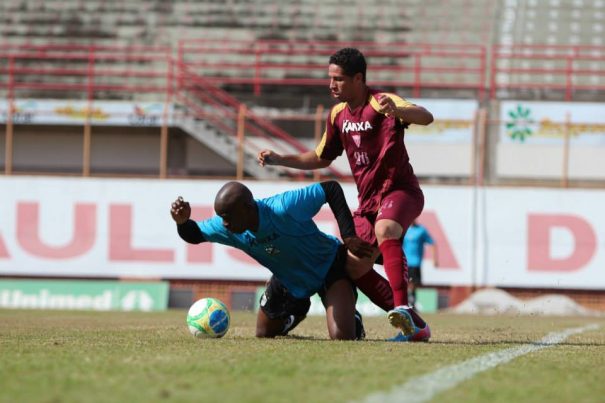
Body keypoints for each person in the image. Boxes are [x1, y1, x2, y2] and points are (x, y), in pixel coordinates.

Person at [257, 47, 433, 342]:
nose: (331, 85)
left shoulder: (380, 102)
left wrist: (399, 110)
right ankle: (415, 326)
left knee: (386, 227)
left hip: (401, 191)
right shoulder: (338, 115)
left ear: (358, 79)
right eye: (330, 78)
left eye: (338, 79)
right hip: (367, 204)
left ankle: (402, 305)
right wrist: (280, 159)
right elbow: (321, 158)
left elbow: (426, 117)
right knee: (351, 265)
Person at [171, 180, 382, 340]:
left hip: (328, 266)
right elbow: (194, 234)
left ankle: (353, 319)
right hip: (288, 280)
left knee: (342, 337)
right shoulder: (230, 226)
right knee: (263, 334)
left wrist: (348, 236)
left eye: (227, 217)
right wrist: (182, 222)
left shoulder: (283, 207)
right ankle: (295, 313)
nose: (224, 224)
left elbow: (331, 189)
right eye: (221, 217)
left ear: (246, 207)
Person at [403, 220, 438, 310]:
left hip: (415, 262)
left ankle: (411, 301)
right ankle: (409, 302)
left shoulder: (421, 230)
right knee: (406, 282)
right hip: (404, 261)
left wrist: (435, 259)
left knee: (414, 283)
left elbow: (432, 243)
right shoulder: (404, 229)